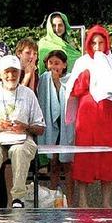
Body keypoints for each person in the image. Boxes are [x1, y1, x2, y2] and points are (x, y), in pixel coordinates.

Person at [65, 25, 112, 208]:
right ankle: (83, 202)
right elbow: (73, 90)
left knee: (107, 156)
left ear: (106, 42)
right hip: (86, 114)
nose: (97, 46)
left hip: (108, 113)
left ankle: (107, 203)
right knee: (84, 156)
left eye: (101, 42)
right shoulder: (82, 62)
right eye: (93, 42)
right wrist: (85, 79)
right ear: (88, 43)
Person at [0, 55, 45, 208]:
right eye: (7, 72)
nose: (11, 76)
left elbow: (40, 128)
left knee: (19, 150)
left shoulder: (28, 94)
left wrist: (25, 127)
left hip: (22, 138)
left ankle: (17, 198)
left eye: (15, 72)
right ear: (0, 74)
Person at [37, 50, 74, 204]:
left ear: (64, 64)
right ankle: (53, 199)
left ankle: (71, 200)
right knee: (54, 164)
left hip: (66, 125)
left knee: (67, 165)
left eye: (57, 63)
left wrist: (57, 81)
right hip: (52, 126)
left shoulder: (70, 79)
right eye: (51, 63)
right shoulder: (43, 79)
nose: (54, 66)